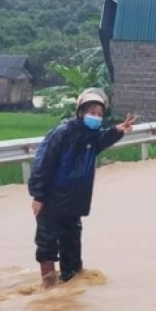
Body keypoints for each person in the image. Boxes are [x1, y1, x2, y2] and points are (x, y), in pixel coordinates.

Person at [27, 88, 136, 288]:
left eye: (99, 114)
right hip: (52, 199)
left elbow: (102, 139)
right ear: (80, 112)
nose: (95, 117)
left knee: (72, 243)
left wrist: (117, 130)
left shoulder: (91, 137)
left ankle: (71, 286)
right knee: (47, 242)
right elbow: (44, 164)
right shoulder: (63, 133)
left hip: (74, 202)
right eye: (91, 112)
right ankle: (48, 286)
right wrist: (38, 196)